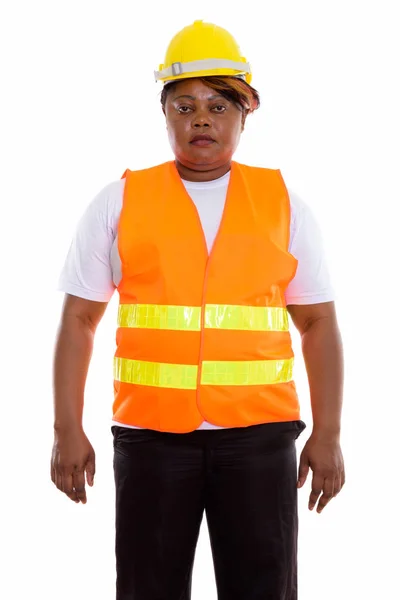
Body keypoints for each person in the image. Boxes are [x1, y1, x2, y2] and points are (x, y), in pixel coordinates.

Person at [51, 19, 345, 600]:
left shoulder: (284, 206)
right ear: (165, 116)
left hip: (260, 440)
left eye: (218, 105)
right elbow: (78, 320)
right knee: (147, 589)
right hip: (150, 438)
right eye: (184, 106)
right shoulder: (121, 201)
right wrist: (66, 430)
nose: (201, 119)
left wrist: (329, 434)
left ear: (245, 112)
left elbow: (318, 323)